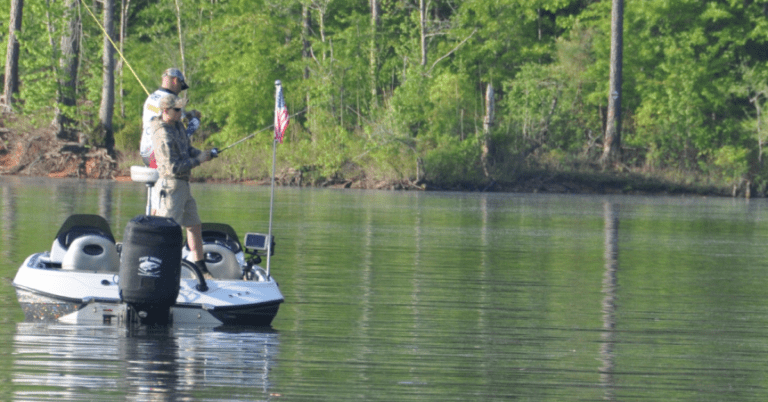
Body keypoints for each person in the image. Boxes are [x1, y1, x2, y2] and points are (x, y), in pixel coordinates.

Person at [150, 93, 214, 279]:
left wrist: (203, 154)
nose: (181, 112)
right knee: (168, 230)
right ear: (165, 111)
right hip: (170, 186)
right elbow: (171, 167)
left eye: (181, 109)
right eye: (177, 110)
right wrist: (199, 161)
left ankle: (201, 268)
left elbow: (186, 149)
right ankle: (161, 269)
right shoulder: (161, 134)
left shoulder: (177, 125)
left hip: (183, 186)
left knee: (194, 225)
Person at [140, 68, 201, 168]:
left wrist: (189, 113)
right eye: (181, 86)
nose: (180, 90)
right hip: (160, 154)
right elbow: (182, 122)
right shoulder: (171, 99)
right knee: (194, 123)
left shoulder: (151, 97)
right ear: (175, 80)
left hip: (145, 153)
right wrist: (195, 119)